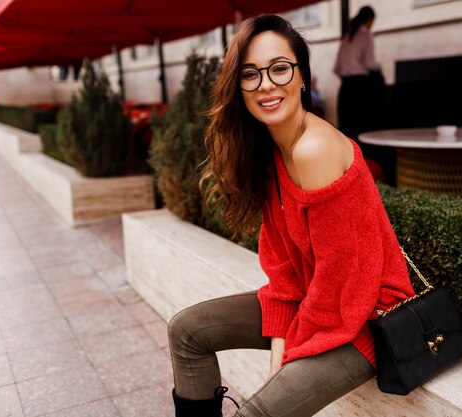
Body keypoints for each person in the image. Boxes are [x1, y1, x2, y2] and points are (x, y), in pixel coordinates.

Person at [167, 14, 414, 417]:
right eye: (250, 74)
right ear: (239, 88)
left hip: (366, 319)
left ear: (302, 76)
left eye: (279, 68)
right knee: (187, 332)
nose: (266, 84)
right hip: (316, 303)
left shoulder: (312, 149)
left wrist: (286, 360)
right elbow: (284, 268)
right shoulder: (270, 150)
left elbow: (341, 283)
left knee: (257, 413)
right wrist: (281, 343)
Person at [334, 6, 384, 150]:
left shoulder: (346, 37)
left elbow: (337, 68)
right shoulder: (366, 34)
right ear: (369, 20)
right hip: (361, 88)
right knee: (363, 132)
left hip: (345, 89)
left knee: (347, 133)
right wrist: (378, 68)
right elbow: (370, 63)